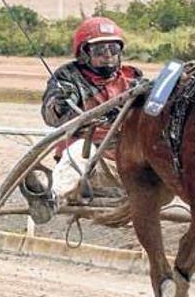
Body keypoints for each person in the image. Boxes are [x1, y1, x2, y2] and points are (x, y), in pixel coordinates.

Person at [21, 16, 143, 223]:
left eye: (113, 49)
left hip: (127, 159)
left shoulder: (132, 79)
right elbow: (51, 116)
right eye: (99, 50)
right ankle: (51, 199)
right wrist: (61, 105)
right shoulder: (69, 78)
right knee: (81, 150)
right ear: (84, 53)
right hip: (90, 161)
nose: (107, 56)